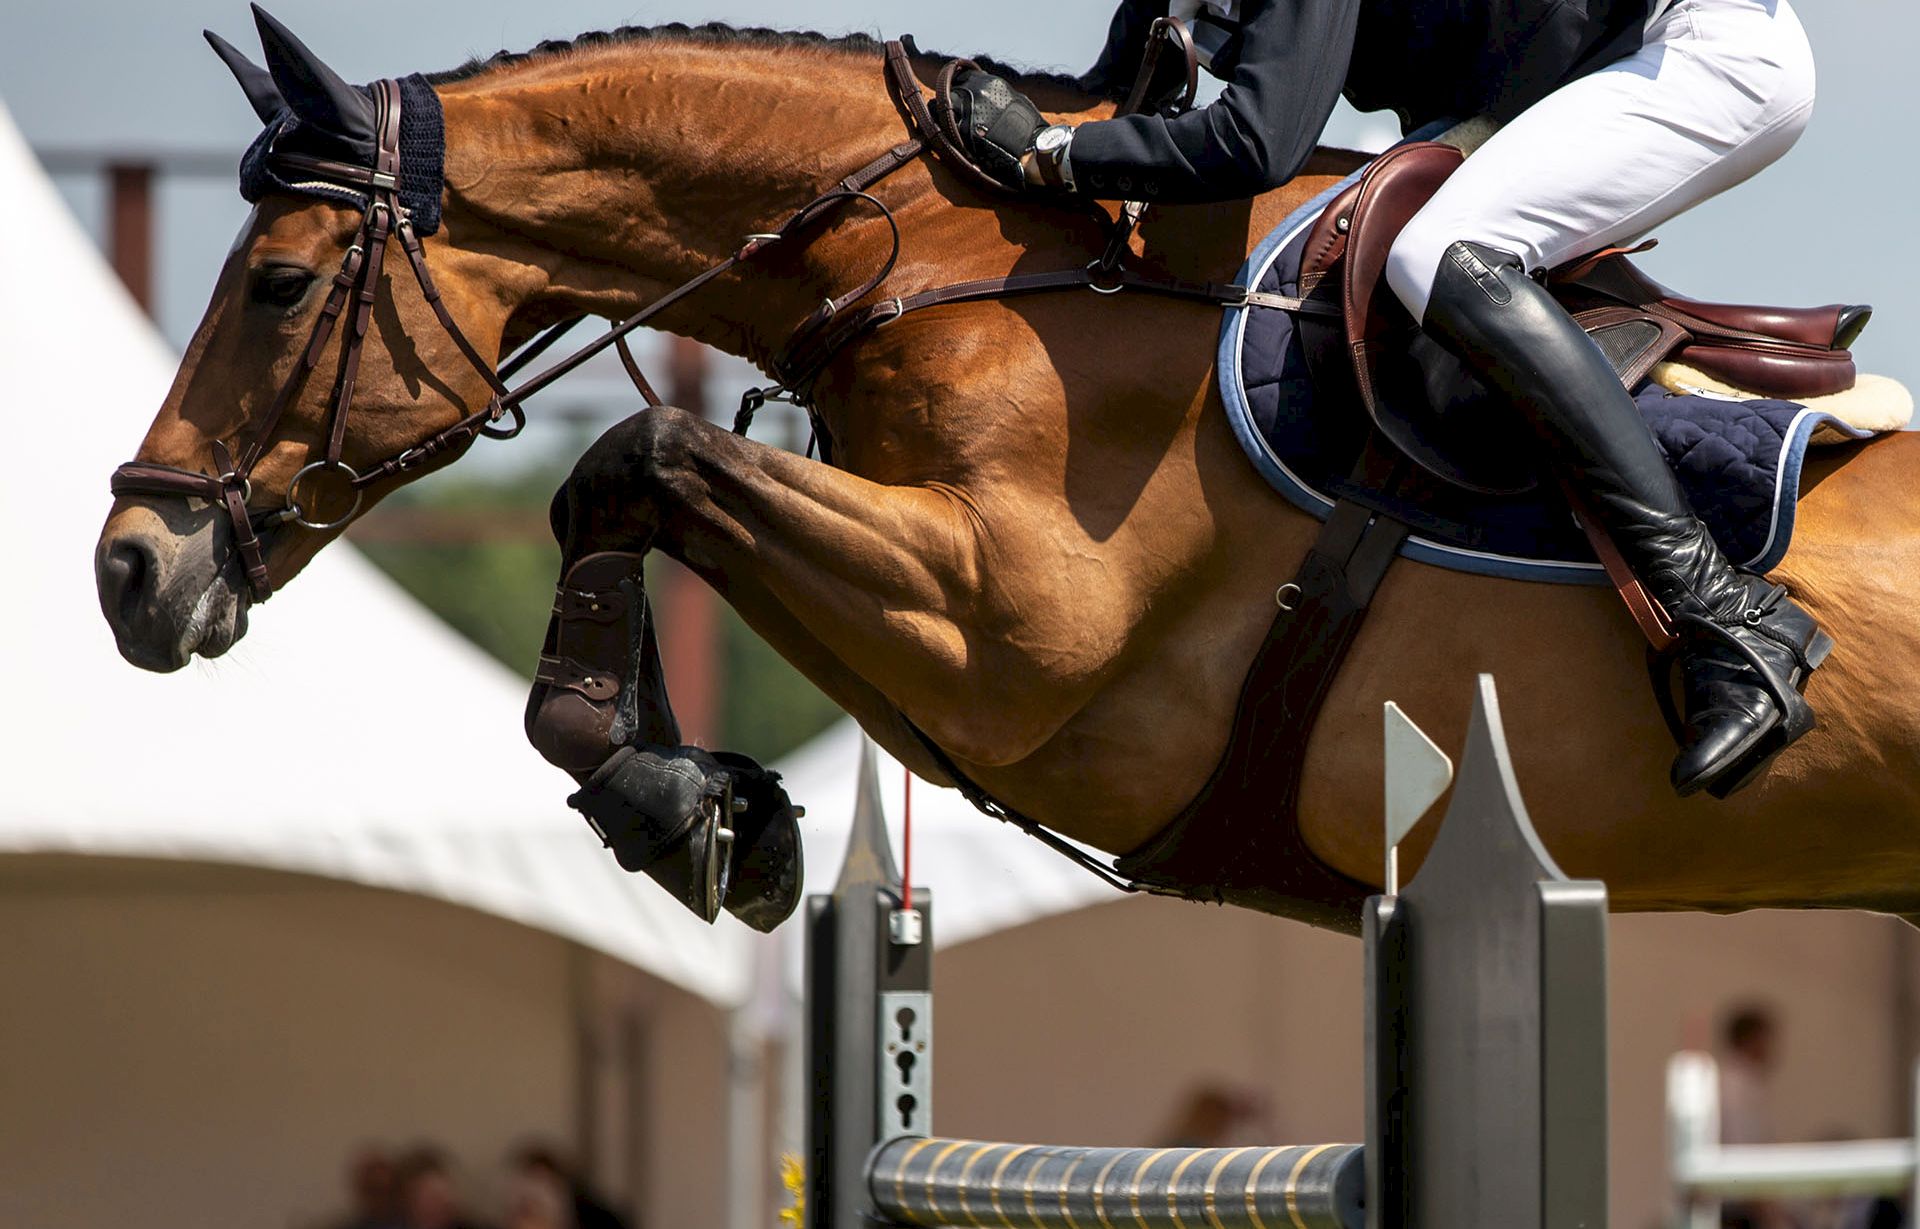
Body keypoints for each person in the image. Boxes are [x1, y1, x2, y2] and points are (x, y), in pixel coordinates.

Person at [951, 0, 1829, 799]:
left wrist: (1051, 153)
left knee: (1439, 249)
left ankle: (1730, 615)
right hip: (1599, 65)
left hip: (1707, 58)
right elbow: (1122, 91)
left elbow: (1261, 141)